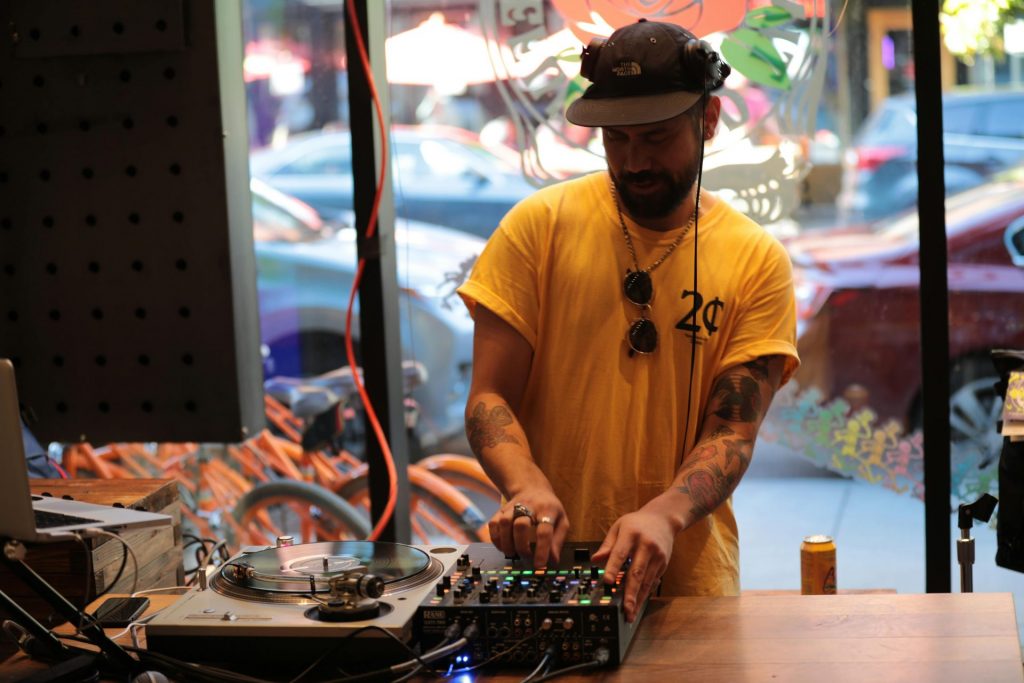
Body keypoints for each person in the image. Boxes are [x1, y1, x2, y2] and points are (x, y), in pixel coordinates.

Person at [456, 19, 799, 622]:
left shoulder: (757, 261)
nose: (635, 160)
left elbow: (731, 432)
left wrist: (665, 514)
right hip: (548, 576)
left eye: (657, 137)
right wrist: (526, 485)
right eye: (616, 139)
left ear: (708, 120)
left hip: (689, 591)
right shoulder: (536, 228)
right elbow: (489, 396)